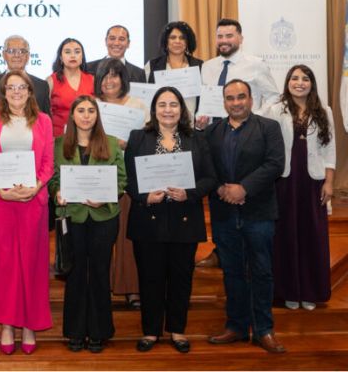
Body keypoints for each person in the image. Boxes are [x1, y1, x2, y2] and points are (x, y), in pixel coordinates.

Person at [124, 87, 216, 354]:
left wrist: (189, 193)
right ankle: (151, 331)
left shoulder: (196, 138)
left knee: (181, 277)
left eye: (173, 104)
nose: (168, 110)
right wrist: (144, 197)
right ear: (154, 110)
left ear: (181, 109)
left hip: (184, 218)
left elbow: (210, 178)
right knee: (149, 277)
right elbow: (128, 178)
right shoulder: (138, 137)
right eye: (162, 104)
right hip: (148, 218)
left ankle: (177, 330)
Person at [205, 80, 286, 354]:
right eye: (230, 98)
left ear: (251, 100)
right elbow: (206, 167)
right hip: (224, 212)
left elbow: (275, 164)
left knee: (262, 272)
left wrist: (244, 188)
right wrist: (220, 188)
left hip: (258, 212)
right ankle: (236, 326)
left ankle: (264, 330)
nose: (236, 102)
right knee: (232, 272)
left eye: (241, 97)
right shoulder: (212, 132)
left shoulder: (268, 127)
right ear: (224, 102)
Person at [0, 71, 54, 354]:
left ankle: (29, 324)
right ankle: (7, 324)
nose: (17, 92)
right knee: (5, 265)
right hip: (2, 202)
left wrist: (36, 187)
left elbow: (48, 162)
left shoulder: (43, 121)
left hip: (32, 202)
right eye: (11, 87)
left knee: (31, 265)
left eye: (22, 87)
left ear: (30, 92)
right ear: (4, 92)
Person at [196, 19, 278, 269]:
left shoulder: (256, 64)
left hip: (249, 140)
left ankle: (247, 253)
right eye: (220, 36)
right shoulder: (208, 67)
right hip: (216, 139)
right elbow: (206, 99)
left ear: (240, 38)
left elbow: (274, 96)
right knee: (220, 197)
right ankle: (221, 251)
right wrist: (201, 117)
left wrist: (254, 121)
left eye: (229, 36)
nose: (224, 41)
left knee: (244, 192)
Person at [49, 95, 125, 353]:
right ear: (72, 115)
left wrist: (106, 195)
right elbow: (53, 178)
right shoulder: (59, 144)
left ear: (97, 115)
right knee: (76, 273)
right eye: (80, 110)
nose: (86, 115)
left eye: (91, 110)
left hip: (104, 217)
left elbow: (121, 180)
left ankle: (99, 331)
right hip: (73, 217)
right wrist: (57, 192)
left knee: (100, 273)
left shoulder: (111, 143)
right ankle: (75, 331)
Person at [263, 65, 335, 310]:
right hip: (284, 181)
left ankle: (311, 291)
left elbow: (330, 150)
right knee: (285, 234)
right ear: (287, 83)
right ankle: (289, 291)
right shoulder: (275, 110)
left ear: (312, 83)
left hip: (313, 181)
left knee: (312, 234)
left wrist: (329, 182)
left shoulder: (325, 111)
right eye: (294, 78)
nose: (299, 83)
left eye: (305, 79)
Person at [94, 58, 148, 309]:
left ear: (123, 79)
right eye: (105, 76)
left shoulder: (138, 105)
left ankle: (130, 287)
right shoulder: (91, 105)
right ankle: (100, 285)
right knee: (99, 237)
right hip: (96, 177)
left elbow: (149, 141)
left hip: (128, 177)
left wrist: (130, 144)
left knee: (127, 235)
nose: (109, 81)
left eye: (114, 75)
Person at [0, 35, 51, 116]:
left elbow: (47, 120)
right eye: (11, 51)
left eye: (22, 51)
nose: (17, 55)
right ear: (4, 55)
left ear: (28, 56)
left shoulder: (42, 86)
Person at [144, 21, 203, 114]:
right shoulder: (152, 66)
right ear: (166, 41)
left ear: (187, 42)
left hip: (191, 121)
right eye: (173, 37)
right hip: (161, 120)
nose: (177, 41)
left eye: (182, 38)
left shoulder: (200, 66)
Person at [47, 38, 95, 137]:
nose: (73, 56)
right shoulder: (51, 81)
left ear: (82, 57)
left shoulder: (92, 79)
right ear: (61, 57)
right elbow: (44, 112)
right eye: (67, 52)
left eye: (77, 52)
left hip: (87, 136)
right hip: (58, 137)